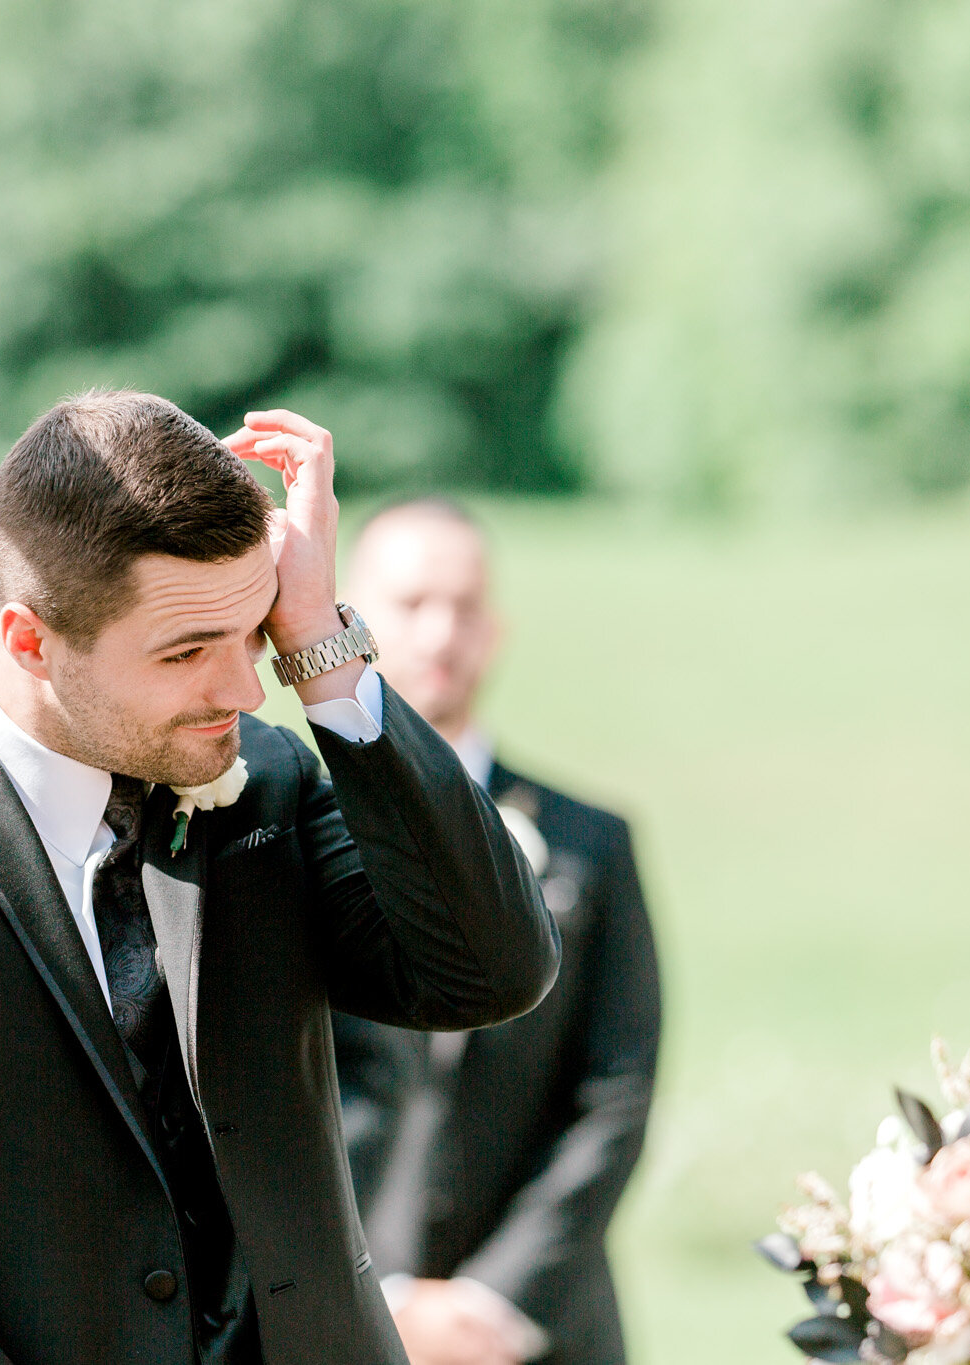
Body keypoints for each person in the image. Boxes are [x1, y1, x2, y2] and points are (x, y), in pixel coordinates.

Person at [0, 392, 560, 1365]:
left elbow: (486, 971)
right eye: (186, 651)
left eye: (250, 633)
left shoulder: (264, 782)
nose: (244, 690)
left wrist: (322, 649)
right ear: (31, 641)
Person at [332, 498, 661, 1365]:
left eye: (466, 606)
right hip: (342, 1315)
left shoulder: (591, 840)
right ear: (349, 619)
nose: (442, 633)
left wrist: (496, 1303)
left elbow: (617, 1088)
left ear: (498, 628)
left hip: (541, 1327)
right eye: (411, 604)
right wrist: (380, 1295)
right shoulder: (282, 836)